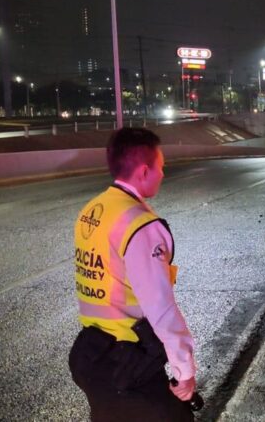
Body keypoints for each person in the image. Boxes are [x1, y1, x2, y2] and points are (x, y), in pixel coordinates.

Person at [69, 127, 197, 421]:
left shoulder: (93, 209)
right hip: (126, 361)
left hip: (91, 354)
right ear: (143, 171)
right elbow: (160, 308)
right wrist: (184, 371)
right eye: (160, 167)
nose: (163, 174)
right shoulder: (139, 225)